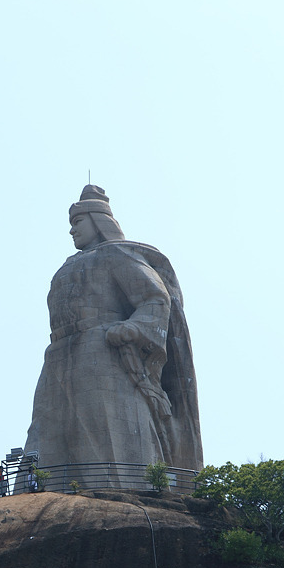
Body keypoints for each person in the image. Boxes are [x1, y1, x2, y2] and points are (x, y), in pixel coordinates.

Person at [23, 185, 202, 484]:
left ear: (98, 220)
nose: (71, 231)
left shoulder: (116, 254)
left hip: (103, 351)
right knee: (45, 433)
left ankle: (132, 489)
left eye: (77, 222)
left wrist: (133, 327)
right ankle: (44, 489)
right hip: (57, 356)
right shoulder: (66, 267)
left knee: (107, 430)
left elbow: (156, 298)